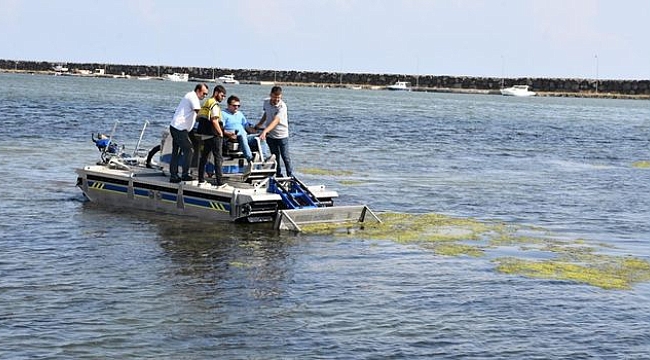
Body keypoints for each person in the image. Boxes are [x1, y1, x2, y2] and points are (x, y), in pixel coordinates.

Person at [169, 83, 209, 183]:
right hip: (179, 128)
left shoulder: (191, 96)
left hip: (180, 128)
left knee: (178, 151)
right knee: (189, 150)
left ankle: (174, 175)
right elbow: (199, 113)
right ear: (198, 91)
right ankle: (184, 175)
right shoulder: (193, 97)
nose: (204, 96)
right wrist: (211, 119)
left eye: (206, 95)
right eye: (204, 94)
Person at [255, 86, 292, 177]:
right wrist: (259, 124)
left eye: (279, 97)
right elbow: (266, 114)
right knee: (275, 157)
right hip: (271, 136)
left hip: (282, 135)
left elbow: (276, 121)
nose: (277, 99)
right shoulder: (266, 102)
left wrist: (264, 131)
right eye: (275, 97)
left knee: (285, 157)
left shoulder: (282, 106)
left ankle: (290, 176)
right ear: (271, 95)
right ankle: (278, 174)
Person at [196, 85, 227, 186]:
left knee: (204, 157)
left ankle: (200, 179)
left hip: (206, 134)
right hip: (214, 135)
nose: (223, 98)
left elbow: (198, 117)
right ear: (217, 93)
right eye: (222, 95)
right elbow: (214, 120)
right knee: (218, 158)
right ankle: (220, 182)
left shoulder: (207, 102)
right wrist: (220, 133)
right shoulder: (214, 104)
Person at [221, 95, 265, 164]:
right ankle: (250, 158)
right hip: (233, 137)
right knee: (242, 136)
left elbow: (247, 127)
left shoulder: (240, 114)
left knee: (261, 137)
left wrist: (259, 131)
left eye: (238, 106)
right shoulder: (223, 114)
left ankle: (264, 159)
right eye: (234, 105)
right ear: (228, 105)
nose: (236, 107)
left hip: (245, 137)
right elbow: (221, 128)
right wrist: (228, 134)